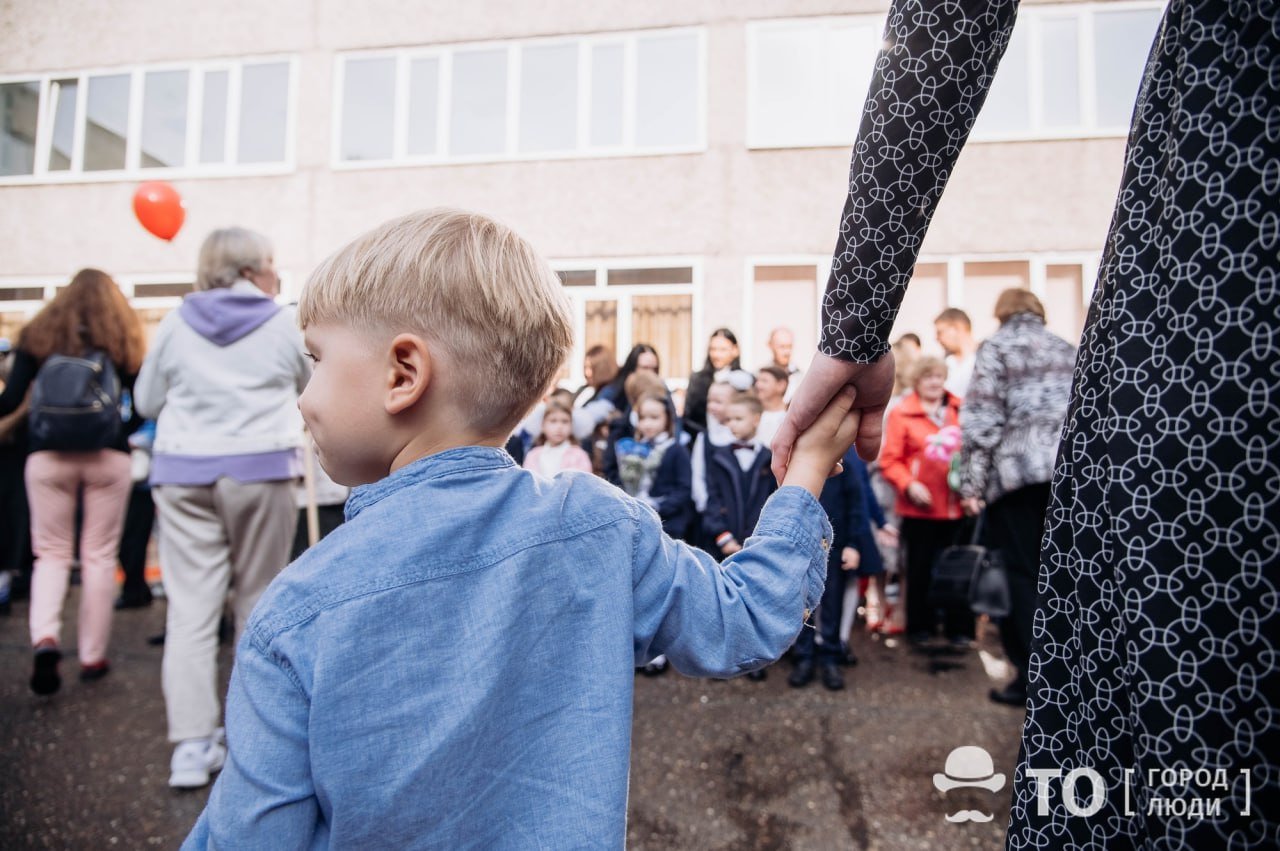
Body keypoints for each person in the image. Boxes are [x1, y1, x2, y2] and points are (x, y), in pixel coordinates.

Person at [181, 208, 857, 849]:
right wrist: (811, 466)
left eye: (317, 358)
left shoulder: (296, 613)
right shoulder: (598, 525)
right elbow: (745, 617)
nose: (303, 394)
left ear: (403, 373)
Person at [773, 2, 1278, 843]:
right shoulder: (1054, 338)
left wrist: (855, 324)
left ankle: (1032, 674)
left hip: (1217, 299)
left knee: (1156, 742)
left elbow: (952, 18)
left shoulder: (1004, 350)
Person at [134, 227, 311, 789]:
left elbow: (145, 401)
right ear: (254, 268)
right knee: (258, 602)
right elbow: (313, 387)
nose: (277, 275)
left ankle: (190, 746)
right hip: (261, 469)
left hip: (184, 470)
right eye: (273, 264)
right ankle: (253, 741)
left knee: (190, 610)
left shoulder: (174, 322)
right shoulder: (282, 322)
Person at [0, 269, 145, 694]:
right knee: (99, 555)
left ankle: (45, 637)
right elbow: (143, 403)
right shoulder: (120, 338)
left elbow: (9, 401)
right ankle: (92, 656)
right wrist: (118, 430)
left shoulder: (39, 337)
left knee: (50, 553)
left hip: (47, 456)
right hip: (106, 456)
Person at [955, 290, 1074, 706]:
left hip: (1016, 477)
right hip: (1069, 477)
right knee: (1061, 576)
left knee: (1022, 578)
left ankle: (1032, 681)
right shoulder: (1067, 347)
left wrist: (971, 485)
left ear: (1001, 313)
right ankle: (1070, 674)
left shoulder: (997, 348)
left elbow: (982, 422)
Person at [876, 357, 969, 647]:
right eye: (928, 377)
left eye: (939, 376)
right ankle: (921, 628)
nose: (934, 382)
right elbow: (890, 460)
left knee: (958, 569)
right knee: (919, 569)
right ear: (917, 381)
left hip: (957, 507)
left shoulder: (960, 409)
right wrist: (909, 484)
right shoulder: (902, 413)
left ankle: (958, 629)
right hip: (920, 509)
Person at [702, 392, 779, 681]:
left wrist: (758, 540)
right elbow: (711, 499)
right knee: (720, 603)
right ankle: (719, 661)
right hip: (724, 541)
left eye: (738, 418)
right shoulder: (717, 456)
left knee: (754, 603)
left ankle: (752, 661)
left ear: (756, 419)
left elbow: (772, 501)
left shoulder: (769, 459)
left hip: (754, 542)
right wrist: (722, 536)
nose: (731, 424)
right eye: (728, 420)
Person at [788, 445, 872, 691]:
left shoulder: (845, 465)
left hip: (834, 546)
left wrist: (854, 544)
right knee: (802, 604)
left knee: (832, 604)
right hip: (800, 546)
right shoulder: (793, 464)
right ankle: (804, 656)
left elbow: (857, 505)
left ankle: (830, 656)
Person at [682, 328, 741, 440]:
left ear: (735, 350)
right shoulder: (697, 379)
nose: (717, 355)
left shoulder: (743, 380)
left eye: (723, 350)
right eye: (713, 349)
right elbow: (689, 417)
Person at [523, 398, 592, 477]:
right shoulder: (533, 455)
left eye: (565, 421)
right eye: (553, 421)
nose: (559, 427)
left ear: (571, 425)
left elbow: (583, 483)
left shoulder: (579, 455)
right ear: (542, 425)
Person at [934, 308, 976, 399]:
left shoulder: (984, 359)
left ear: (957, 327)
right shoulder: (947, 363)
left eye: (940, 332)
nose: (936, 338)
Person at [753, 365, 789, 447]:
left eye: (764, 381)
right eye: (757, 381)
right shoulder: (752, 413)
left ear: (781, 385)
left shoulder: (790, 414)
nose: (758, 385)